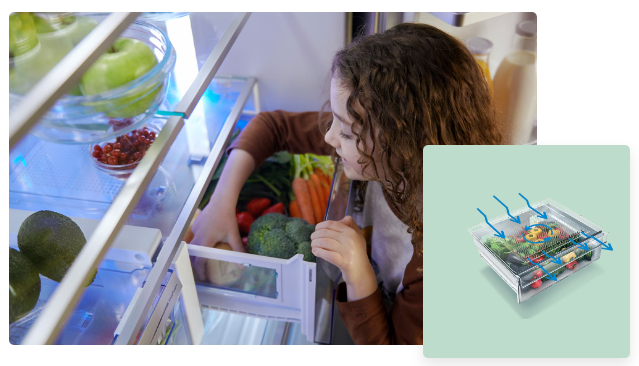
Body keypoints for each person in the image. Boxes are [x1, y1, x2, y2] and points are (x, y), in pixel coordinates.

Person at [190, 22, 502, 345]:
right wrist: (221, 202)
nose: (329, 137)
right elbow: (272, 125)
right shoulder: (384, 149)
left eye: (348, 133)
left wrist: (359, 273)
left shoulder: (439, 260)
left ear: (404, 146)